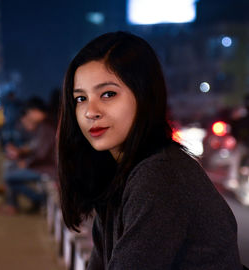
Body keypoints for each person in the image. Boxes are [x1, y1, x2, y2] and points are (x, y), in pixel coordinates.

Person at [57, 31, 243, 269]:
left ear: (144, 96)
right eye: (80, 98)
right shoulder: (120, 175)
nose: (90, 111)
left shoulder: (160, 176)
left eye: (108, 94)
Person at [0, 97, 56, 215]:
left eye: (30, 113)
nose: (29, 116)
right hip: (46, 166)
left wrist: (26, 163)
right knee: (10, 170)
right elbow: (39, 149)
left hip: (48, 169)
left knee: (9, 176)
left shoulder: (46, 126)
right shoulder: (45, 125)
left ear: (35, 111)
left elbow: (42, 154)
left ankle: (37, 199)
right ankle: (15, 203)